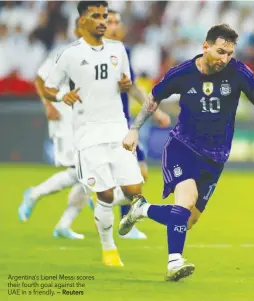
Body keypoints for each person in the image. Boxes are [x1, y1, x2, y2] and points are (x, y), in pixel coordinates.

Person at [119, 24, 254, 281]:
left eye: (230, 53)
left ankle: (142, 209)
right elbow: (153, 98)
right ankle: (174, 262)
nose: (225, 58)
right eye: (220, 51)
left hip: (216, 157)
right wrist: (135, 129)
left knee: (186, 221)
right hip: (182, 146)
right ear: (205, 46)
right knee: (185, 201)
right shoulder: (182, 73)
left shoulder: (239, 72)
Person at [44, 1, 144, 267]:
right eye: (96, 16)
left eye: (105, 16)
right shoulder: (70, 54)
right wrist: (61, 95)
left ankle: (100, 201)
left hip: (117, 127)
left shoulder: (118, 50)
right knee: (107, 195)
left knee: (135, 189)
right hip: (88, 132)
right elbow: (48, 87)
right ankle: (108, 247)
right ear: (82, 22)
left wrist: (126, 85)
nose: (102, 21)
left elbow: (125, 83)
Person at [18, 18, 93, 240]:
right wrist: (48, 105)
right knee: (81, 171)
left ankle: (63, 223)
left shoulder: (99, 56)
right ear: (78, 29)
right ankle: (34, 194)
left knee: (89, 171)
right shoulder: (64, 53)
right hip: (64, 117)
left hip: (85, 120)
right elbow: (40, 80)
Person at [104, 9, 171, 240]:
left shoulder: (122, 52)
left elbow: (132, 87)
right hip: (101, 125)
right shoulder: (88, 55)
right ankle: (124, 220)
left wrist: (157, 110)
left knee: (139, 174)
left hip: (123, 123)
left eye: (117, 22)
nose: (114, 26)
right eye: (109, 21)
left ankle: (107, 204)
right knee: (128, 175)